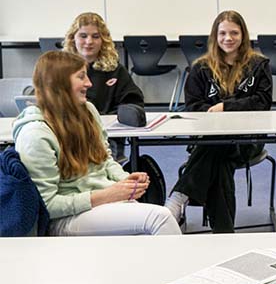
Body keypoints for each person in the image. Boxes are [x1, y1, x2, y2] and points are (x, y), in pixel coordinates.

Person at [12, 51, 180, 236]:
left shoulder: (87, 110)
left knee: (148, 228)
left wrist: (125, 180)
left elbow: (104, 160)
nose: (89, 83)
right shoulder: (35, 135)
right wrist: (108, 195)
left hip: (99, 201)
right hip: (66, 218)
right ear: (59, 83)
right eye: (81, 77)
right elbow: (47, 205)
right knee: (160, 218)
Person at [163, 10, 273, 233]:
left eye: (234, 33)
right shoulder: (200, 67)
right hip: (210, 138)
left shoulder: (259, 65)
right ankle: (224, 233)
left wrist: (226, 107)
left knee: (218, 147)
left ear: (243, 35)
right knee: (220, 158)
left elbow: (263, 102)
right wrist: (217, 116)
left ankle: (180, 196)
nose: (228, 38)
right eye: (222, 33)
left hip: (248, 140)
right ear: (215, 35)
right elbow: (193, 106)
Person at [62, 12, 144, 116]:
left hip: (109, 123)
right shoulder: (62, 70)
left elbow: (134, 102)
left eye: (95, 36)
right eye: (83, 36)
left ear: (103, 40)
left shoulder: (115, 70)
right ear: (73, 38)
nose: (89, 41)